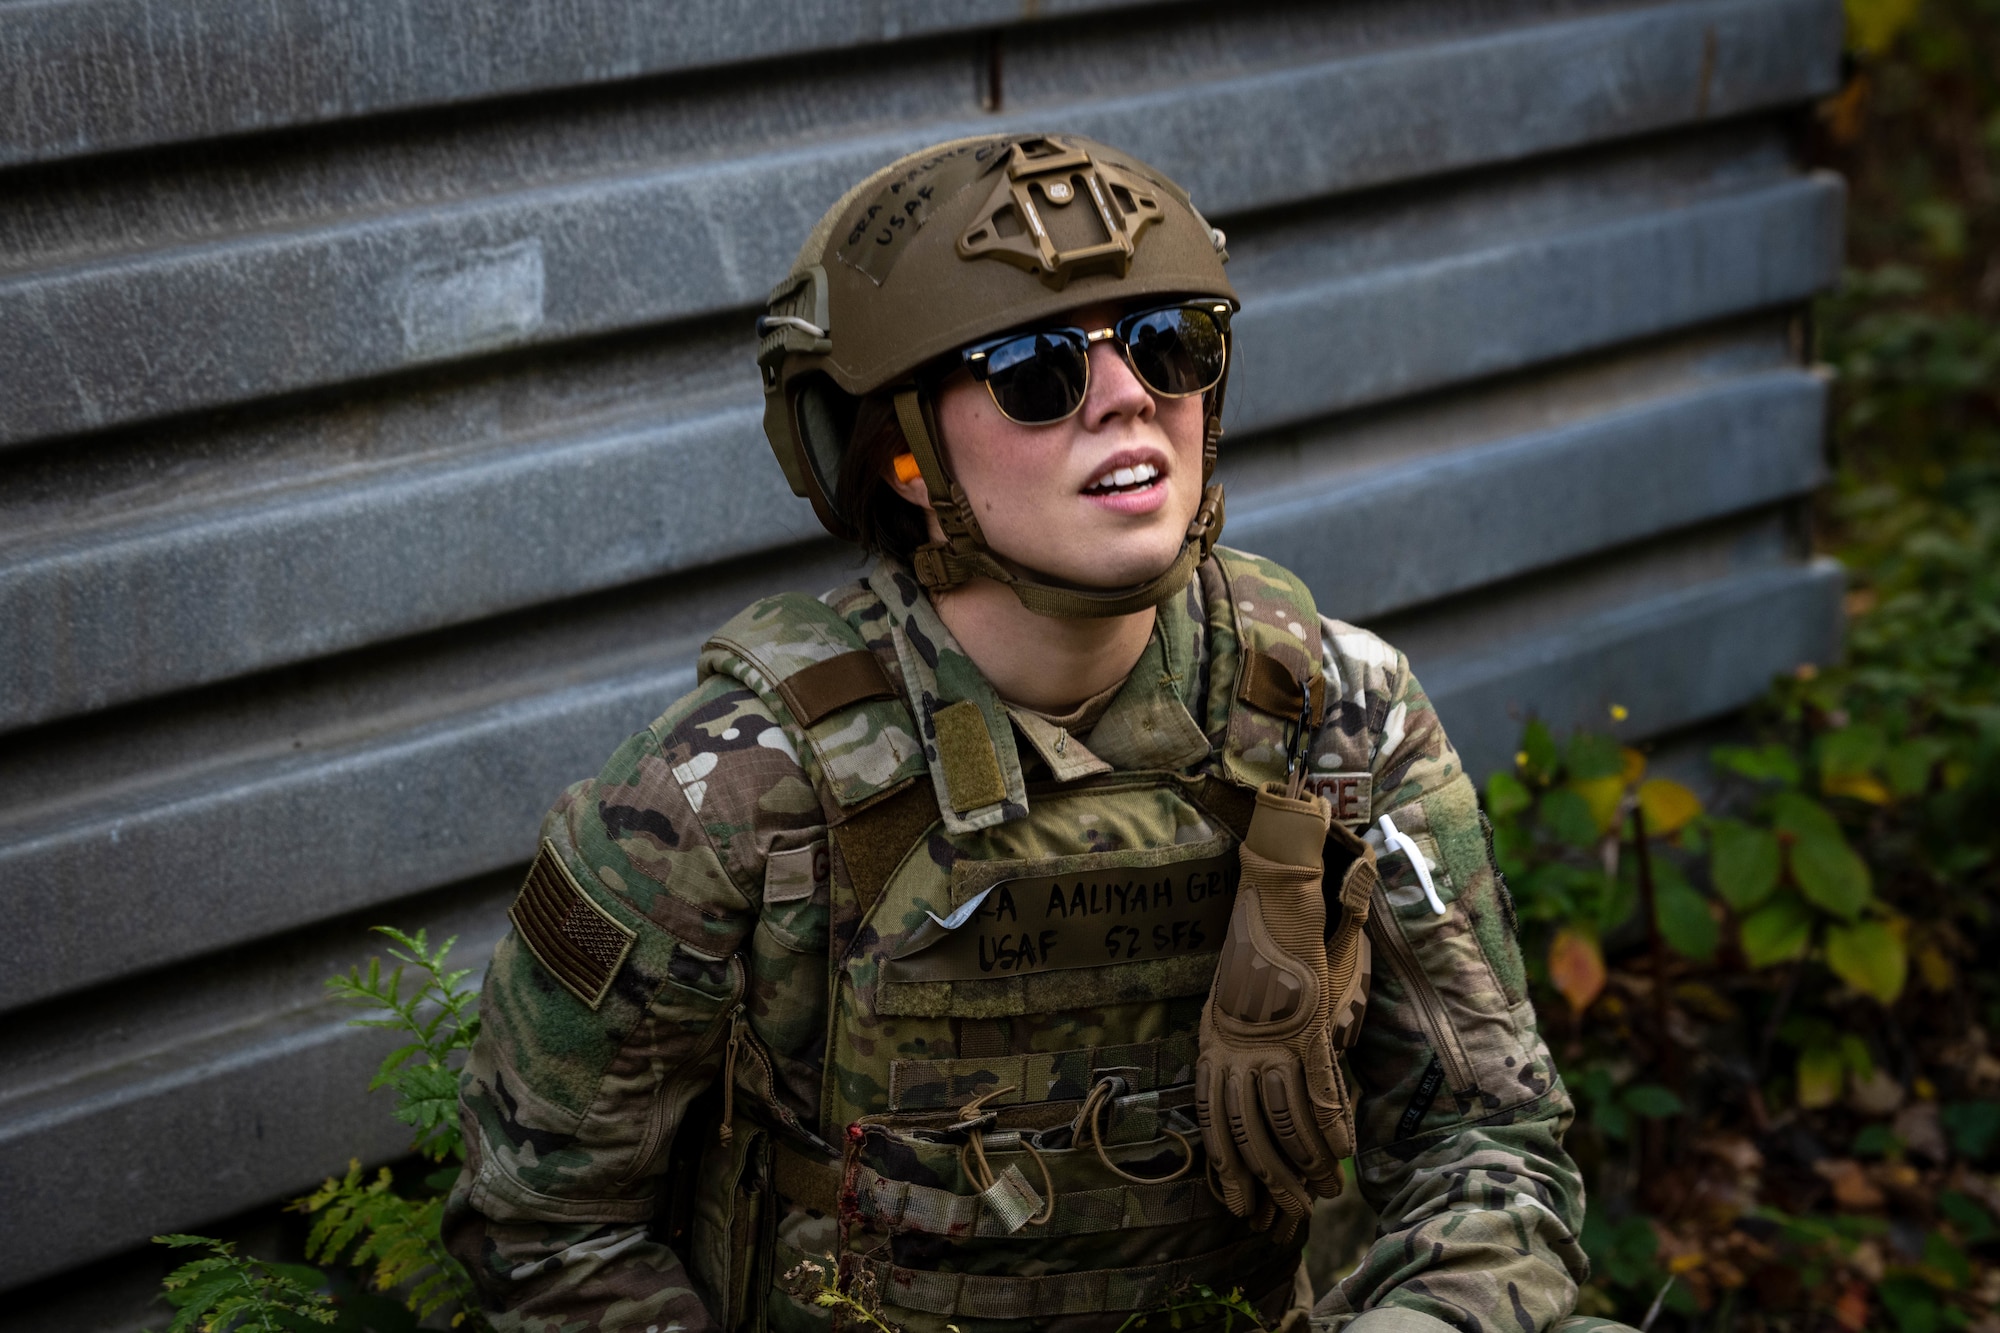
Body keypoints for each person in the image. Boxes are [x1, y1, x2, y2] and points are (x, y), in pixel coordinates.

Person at [445, 133, 1611, 1333]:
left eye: (1171, 344)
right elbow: (543, 1231)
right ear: (901, 453)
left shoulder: (1333, 713)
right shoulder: (732, 789)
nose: (1128, 397)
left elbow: (1492, 1141)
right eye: (1035, 369)